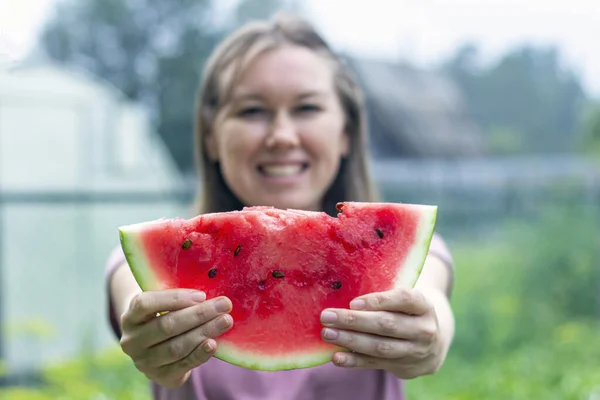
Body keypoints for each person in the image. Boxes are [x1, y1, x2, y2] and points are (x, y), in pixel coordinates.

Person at [105, 11, 455, 400]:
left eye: (307, 108)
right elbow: (132, 298)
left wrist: (430, 337)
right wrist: (152, 345)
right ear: (211, 137)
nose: (282, 136)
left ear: (346, 134)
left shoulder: (418, 251)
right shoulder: (155, 262)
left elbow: (431, 300)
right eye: (252, 111)